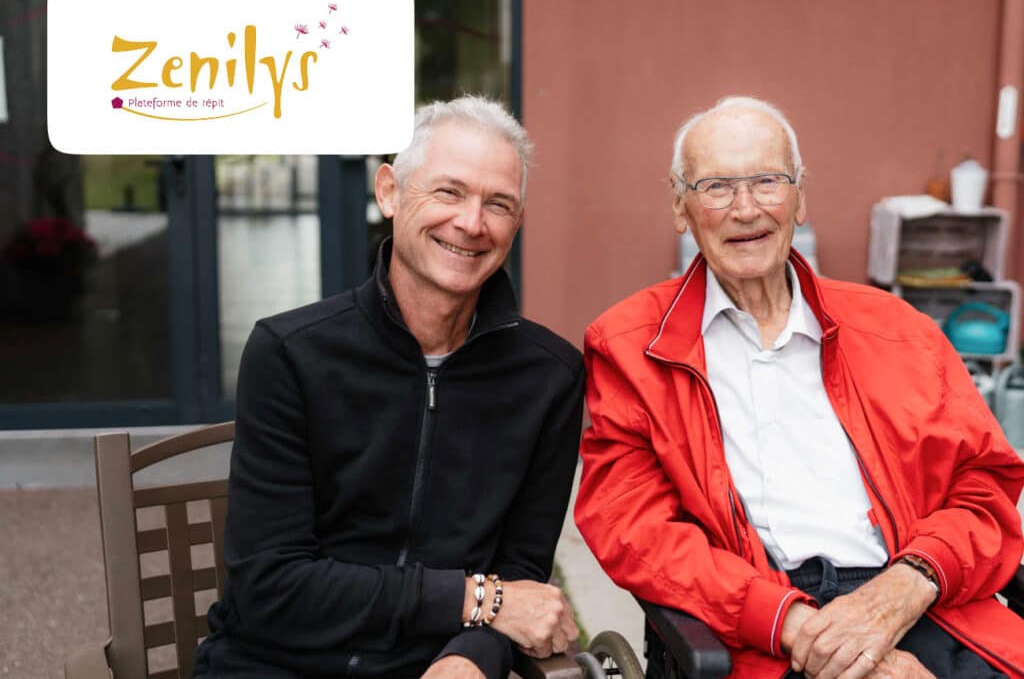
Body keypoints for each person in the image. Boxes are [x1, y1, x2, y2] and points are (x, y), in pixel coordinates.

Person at [574, 96, 1024, 678]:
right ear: (680, 206)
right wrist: (805, 630)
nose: (745, 209)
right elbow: (634, 528)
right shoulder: (630, 345)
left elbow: (985, 485)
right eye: (715, 186)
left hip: (920, 593)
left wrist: (906, 589)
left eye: (767, 181)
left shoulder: (898, 329)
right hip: (764, 622)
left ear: (801, 197)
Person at [195, 96, 582, 679]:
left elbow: (520, 577)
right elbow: (270, 589)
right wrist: (476, 601)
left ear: (516, 224)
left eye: (497, 203)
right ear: (390, 193)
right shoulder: (290, 353)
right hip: (273, 664)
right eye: (448, 192)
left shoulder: (549, 376)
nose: (471, 223)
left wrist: (471, 655)